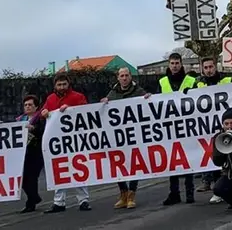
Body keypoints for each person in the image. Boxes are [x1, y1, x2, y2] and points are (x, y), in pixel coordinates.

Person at [35, 73, 92, 213]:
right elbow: (42, 112)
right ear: (55, 85)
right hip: (58, 143)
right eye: (59, 85)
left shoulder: (77, 97)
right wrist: (44, 112)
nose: (61, 87)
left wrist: (71, 109)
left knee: (79, 169)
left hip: (75, 140)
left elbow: (86, 112)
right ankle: (58, 202)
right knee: (59, 171)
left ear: (68, 84)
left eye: (64, 84)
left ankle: (83, 200)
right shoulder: (51, 98)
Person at [101, 67, 151, 209]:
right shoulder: (113, 93)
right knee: (118, 164)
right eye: (121, 76)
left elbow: (147, 104)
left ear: (131, 77)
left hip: (135, 135)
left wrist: (148, 98)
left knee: (135, 164)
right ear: (118, 78)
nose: (124, 78)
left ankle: (131, 194)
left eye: (126, 75)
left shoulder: (138, 91)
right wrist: (104, 102)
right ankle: (123, 192)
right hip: (119, 137)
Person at [160, 53, 198, 206]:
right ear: (168, 65)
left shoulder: (191, 81)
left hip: (187, 126)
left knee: (188, 159)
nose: (174, 65)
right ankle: (174, 193)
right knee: (172, 161)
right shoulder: (162, 82)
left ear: (181, 64)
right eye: (172, 63)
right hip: (170, 127)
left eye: (177, 63)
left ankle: (189, 192)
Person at [194, 57, 232, 199]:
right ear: (202, 69)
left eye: (211, 67)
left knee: (222, 153)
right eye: (206, 68)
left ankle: (221, 184)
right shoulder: (198, 83)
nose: (209, 70)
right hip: (206, 125)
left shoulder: (226, 80)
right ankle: (208, 180)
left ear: (215, 67)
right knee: (208, 151)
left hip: (223, 124)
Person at [17, 95, 43, 213]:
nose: (27, 107)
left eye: (30, 105)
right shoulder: (20, 120)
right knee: (23, 180)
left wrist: (34, 128)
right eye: (26, 105)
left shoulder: (40, 118)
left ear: (36, 107)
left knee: (32, 178)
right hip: (23, 153)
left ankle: (30, 203)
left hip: (36, 151)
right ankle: (34, 198)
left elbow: (43, 131)